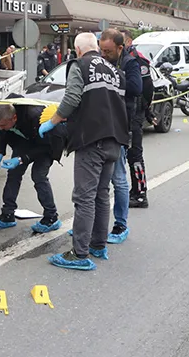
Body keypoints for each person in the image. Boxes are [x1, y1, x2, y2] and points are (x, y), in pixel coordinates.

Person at [39, 32, 129, 271]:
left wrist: (53, 121)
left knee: (84, 197)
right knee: (101, 195)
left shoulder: (80, 66)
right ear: (96, 48)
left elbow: (71, 99)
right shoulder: (115, 72)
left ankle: (79, 254)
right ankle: (98, 245)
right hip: (115, 141)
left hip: (92, 141)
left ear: (78, 50)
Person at [0, 98, 61, 232]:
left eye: (3, 125)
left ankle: (51, 217)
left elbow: (46, 147)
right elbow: (2, 133)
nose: (0, 127)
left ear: (14, 118)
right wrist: (0, 152)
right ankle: (8, 214)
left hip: (45, 145)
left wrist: (22, 159)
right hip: (23, 141)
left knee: (38, 176)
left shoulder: (35, 117)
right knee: (14, 174)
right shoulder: (2, 113)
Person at [100, 29, 141, 243]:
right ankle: (93, 224)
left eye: (108, 51)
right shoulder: (100, 61)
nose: (104, 55)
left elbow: (136, 88)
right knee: (97, 181)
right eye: (101, 50)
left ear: (120, 48)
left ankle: (120, 224)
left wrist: (112, 77)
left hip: (120, 127)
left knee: (118, 178)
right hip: (99, 126)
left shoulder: (131, 63)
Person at [121, 29, 154, 208]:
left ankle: (141, 193)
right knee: (126, 154)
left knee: (135, 155)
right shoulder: (120, 59)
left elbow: (147, 88)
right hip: (125, 112)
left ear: (129, 41)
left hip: (136, 112)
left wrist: (145, 111)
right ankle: (133, 190)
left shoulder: (137, 60)